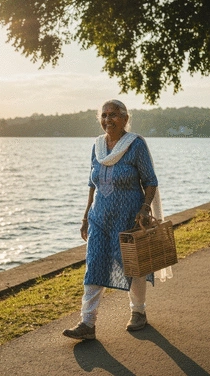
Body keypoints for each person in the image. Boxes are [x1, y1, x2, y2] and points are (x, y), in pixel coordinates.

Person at [63, 99, 172, 340]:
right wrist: (85, 218)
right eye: (104, 115)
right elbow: (93, 184)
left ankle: (138, 312)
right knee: (94, 265)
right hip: (99, 219)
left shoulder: (135, 145)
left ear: (125, 118)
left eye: (113, 115)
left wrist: (145, 208)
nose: (107, 119)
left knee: (133, 267)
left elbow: (151, 181)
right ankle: (87, 323)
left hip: (128, 219)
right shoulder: (98, 146)